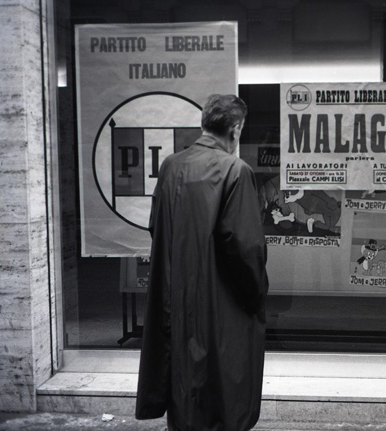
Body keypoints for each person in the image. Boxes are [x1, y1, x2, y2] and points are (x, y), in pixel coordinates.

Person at [136, 94, 269, 431]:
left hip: (177, 297)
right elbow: (244, 247)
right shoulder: (236, 171)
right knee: (222, 391)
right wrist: (257, 294)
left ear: (205, 124)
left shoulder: (171, 166)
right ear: (235, 129)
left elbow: (156, 227)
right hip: (220, 304)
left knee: (184, 385)